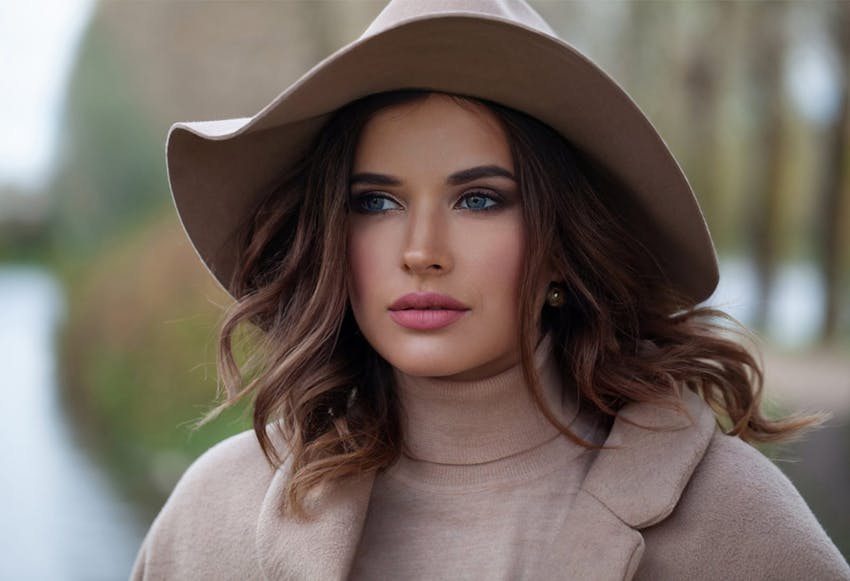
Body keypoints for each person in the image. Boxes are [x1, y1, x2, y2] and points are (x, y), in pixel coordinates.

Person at [131, 1, 850, 579]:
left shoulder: (734, 527)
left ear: (567, 243)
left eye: (479, 199)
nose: (421, 251)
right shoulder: (212, 519)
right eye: (376, 202)